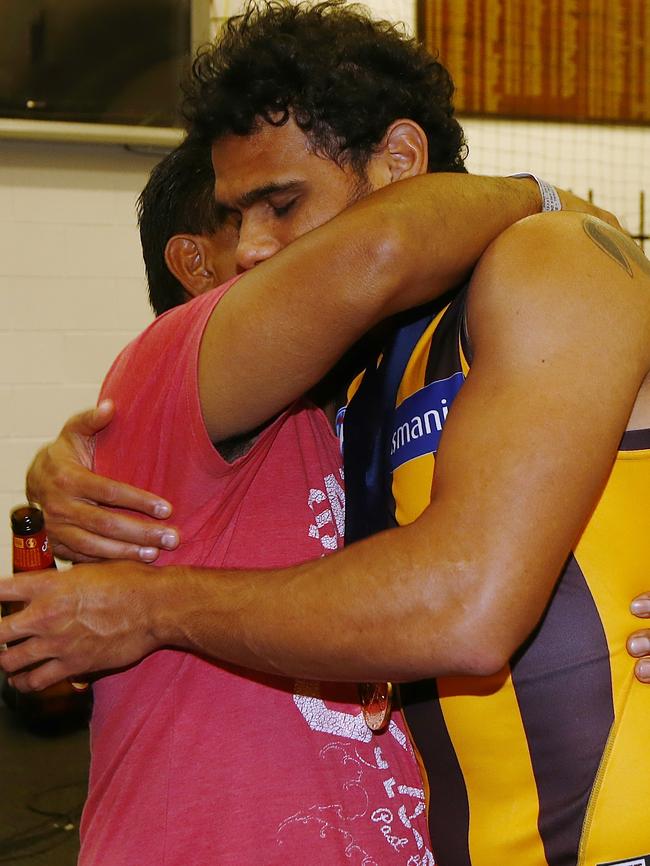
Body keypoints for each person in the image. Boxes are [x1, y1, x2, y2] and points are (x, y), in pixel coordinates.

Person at [3, 2, 650, 864]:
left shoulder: (552, 258)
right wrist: (59, 468)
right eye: (238, 218)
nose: (253, 251)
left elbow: (465, 607)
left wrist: (150, 607)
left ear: (400, 163)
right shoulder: (347, 383)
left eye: (281, 203)